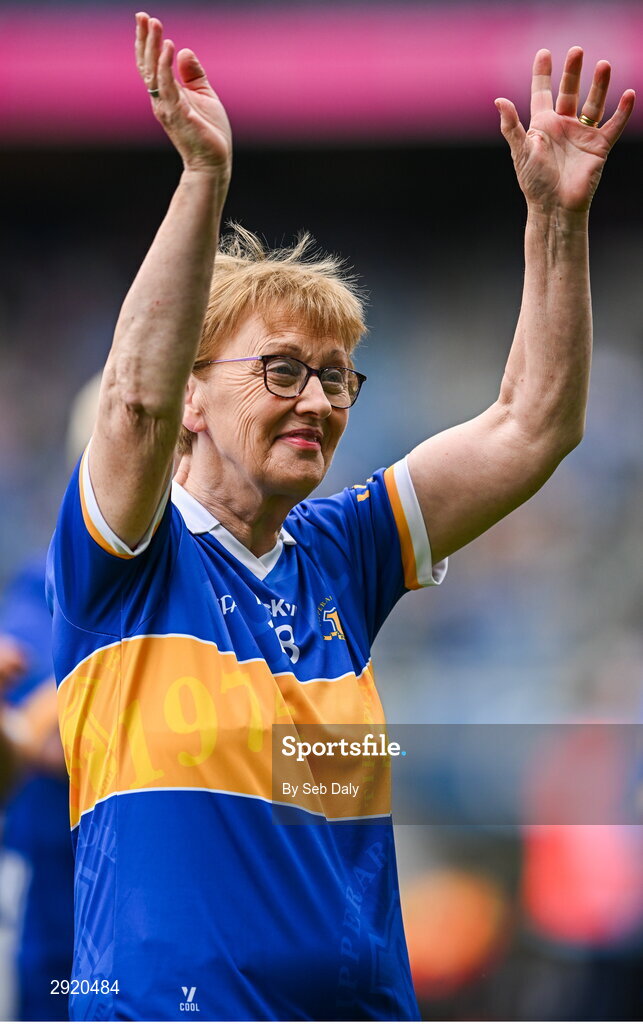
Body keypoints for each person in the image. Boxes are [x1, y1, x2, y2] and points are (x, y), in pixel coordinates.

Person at [46, 11, 635, 1022]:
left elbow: (532, 426)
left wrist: (556, 223)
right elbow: (132, 405)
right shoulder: (127, 559)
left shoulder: (341, 553)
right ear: (193, 395)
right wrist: (201, 180)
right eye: (281, 370)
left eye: (334, 377)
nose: (317, 400)